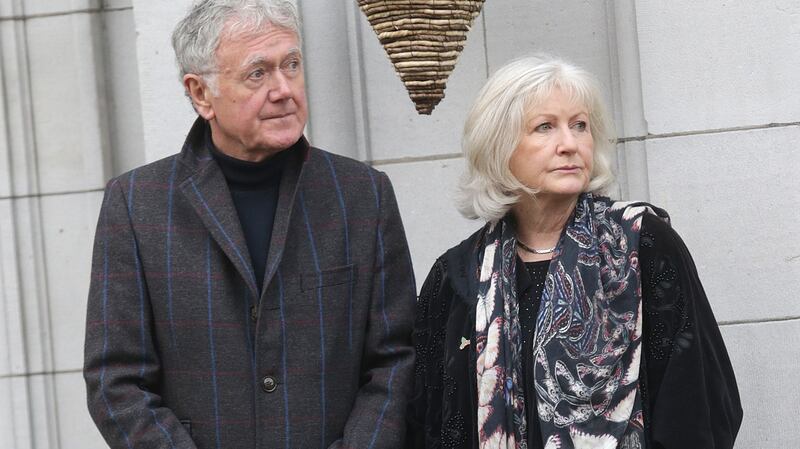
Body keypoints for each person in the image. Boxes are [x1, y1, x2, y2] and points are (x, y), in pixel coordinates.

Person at [83, 1, 416, 448]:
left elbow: (397, 359)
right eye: (257, 73)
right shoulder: (136, 204)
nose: (283, 89)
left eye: (291, 65)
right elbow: (116, 381)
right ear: (201, 93)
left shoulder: (362, 195)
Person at [408, 56, 742, 449]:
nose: (569, 144)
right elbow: (425, 421)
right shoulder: (458, 276)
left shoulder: (642, 245)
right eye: (544, 127)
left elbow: (702, 401)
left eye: (579, 125)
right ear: (498, 146)